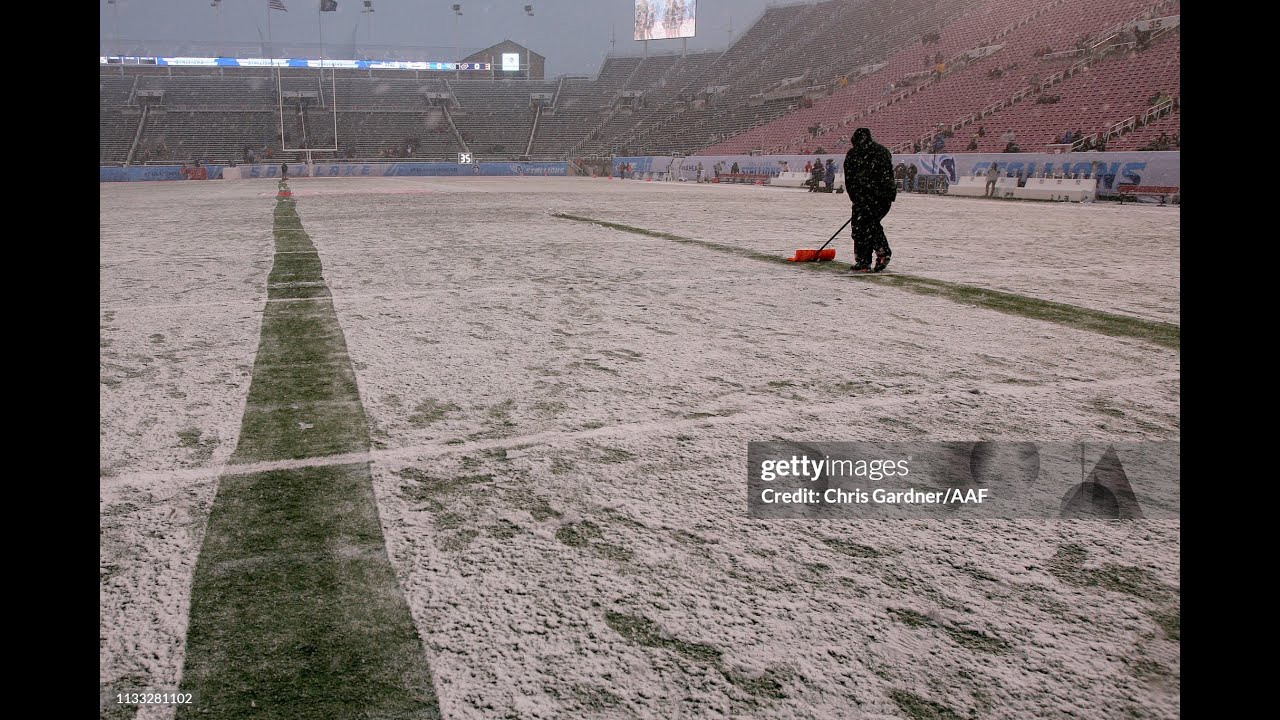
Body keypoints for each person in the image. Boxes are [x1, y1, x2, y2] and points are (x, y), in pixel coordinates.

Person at [843, 128, 896, 273]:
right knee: (870, 224)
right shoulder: (882, 151)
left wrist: (857, 199)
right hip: (882, 198)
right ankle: (879, 253)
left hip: (866, 197)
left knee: (862, 227)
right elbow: (887, 177)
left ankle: (865, 260)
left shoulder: (854, 154)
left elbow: (850, 180)